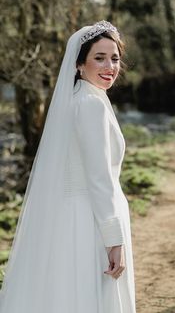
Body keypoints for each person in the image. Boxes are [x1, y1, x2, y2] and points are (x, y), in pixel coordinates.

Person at [0, 21, 136, 312]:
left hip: (75, 213)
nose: (110, 66)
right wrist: (114, 240)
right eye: (99, 58)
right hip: (90, 220)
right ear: (79, 64)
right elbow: (100, 180)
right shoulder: (91, 104)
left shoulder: (83, 98)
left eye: (114, 58)